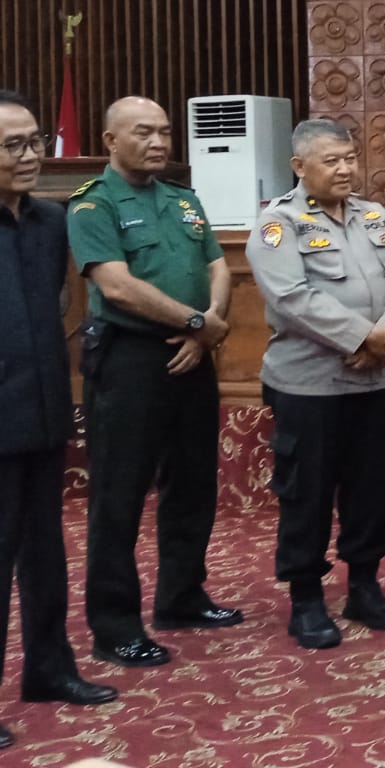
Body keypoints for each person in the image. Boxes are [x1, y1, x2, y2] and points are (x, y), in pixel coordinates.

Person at [66, 97, 240, 668]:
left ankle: (181, 597)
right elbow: (116, 286)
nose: (159, 142)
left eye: (164, 132)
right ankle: (114, 626)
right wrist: (195, 323)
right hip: (129, 359)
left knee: (192, 483)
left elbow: (217, 266)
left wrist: (206, 328)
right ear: (110, 141)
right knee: (118, 496)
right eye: (144, 132)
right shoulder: (93, 204)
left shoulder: (183, 199)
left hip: (195, 353)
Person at [246, 119, 385, 649]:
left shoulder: (373, 215)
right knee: (308, 491)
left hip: (373, 380)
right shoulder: (279, 223)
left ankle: (364, 585)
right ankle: (306, 598)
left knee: (371, 488)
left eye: (349, 158)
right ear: (299, 166)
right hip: (310, 383)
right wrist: (362, 336)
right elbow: (290, 297)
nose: (345, 169)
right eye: (331, 161)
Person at [0, 91, 117, 750]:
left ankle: (48, 669)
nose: (30, 156)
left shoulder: (50, 221)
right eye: (12, 145)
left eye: (34, 141)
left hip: (44, 412)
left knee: (45, 554)